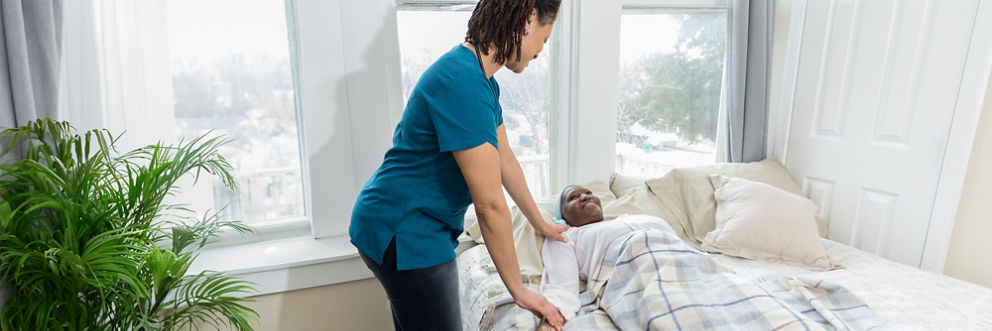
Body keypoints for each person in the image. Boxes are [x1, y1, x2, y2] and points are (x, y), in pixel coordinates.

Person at [348, 1, 567, 329]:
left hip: (403, 222)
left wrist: (541, 222)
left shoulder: (481, 80)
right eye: (545, 39)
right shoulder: (462, 81)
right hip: (404, 228)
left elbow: (505, 159)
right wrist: (519, 290)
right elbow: (489, 205)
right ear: (529, 19)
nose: (541, 50)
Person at [537, 185, 676, 330]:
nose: (585, 197)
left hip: (681, 257)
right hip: (636, 270)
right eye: (573, 197)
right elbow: (561, 283)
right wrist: (554, 319)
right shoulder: (567, 236)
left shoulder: (634, 217)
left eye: (589, 193)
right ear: (563, 215)